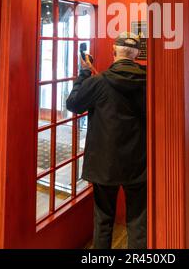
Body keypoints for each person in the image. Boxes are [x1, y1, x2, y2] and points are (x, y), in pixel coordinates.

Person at [66, 32, 147, 249]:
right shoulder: (149, 80)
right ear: (137, 54)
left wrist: (84, 73)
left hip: (104, 164)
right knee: (138, 223)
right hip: (139, 163)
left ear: (113, 51)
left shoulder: (98, 81)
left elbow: (73, 104)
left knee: (103, 222)